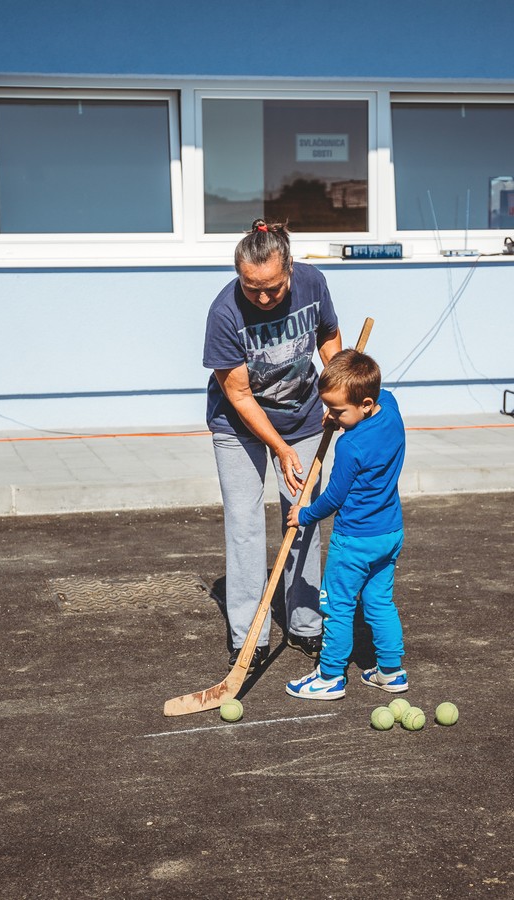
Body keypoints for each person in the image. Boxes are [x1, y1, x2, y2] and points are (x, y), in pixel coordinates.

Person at [203, 219, 342, 673]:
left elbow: (327, 336)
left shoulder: (313, 283)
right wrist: (281, 449)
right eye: (252, 288)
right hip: (238, 425)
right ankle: (249, 636)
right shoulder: (224, 313)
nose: (263, 299)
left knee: (303, 517)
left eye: (273, 289)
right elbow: (240, 394)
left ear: (290, 268)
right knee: (244, 523)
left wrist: (336, 390)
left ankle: (305, 624)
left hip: (303, 415)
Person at [285, 349, 408, 700]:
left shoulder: (351, 445)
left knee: (337, 607)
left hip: (354, 540)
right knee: (380, 602)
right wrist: (343, 405)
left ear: (365, 404)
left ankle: (329, 676)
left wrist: (304, 514)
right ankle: (391, 672)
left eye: (338, 411)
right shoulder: (391, 410)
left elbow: (333, 498)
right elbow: (383, 392)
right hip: (389, 533)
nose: (332, 416)